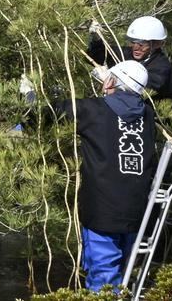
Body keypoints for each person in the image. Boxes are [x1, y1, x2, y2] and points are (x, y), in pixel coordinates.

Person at [46, 61, 157, 292]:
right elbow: (122, 106)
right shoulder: (147, 113)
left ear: (111, 82)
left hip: (102, 210)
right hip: (136, 210)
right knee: (125, 270)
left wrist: (28, 96)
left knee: (103, 277)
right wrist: (111, 85)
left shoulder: (91, 110)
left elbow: (48, 113)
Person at [88, 16, 172, 104]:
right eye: (133, 42)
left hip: (159, 116)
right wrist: (97, 39)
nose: (136, 48)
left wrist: (109, 78)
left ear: (157, 44)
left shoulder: (161, 66)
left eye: (142, 44)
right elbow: (97, 56)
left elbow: (141, 88)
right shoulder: (128, 54)